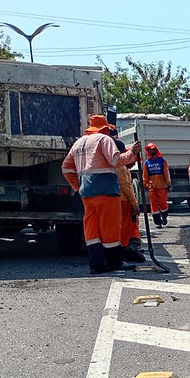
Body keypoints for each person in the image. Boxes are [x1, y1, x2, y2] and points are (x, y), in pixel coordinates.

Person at [61, 115, 141, 273]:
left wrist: (78, 187)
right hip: (106, 190)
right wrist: (133, 152)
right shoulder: (104, 139)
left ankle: (96, 265)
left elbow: (66, 168)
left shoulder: (78, 143)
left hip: (87, 193)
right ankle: (114, 262)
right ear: (105, 128)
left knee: (92, 229)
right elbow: (115, 160)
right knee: (110, 227)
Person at [109, 125, 145, 262]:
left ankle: (124, 248)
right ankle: (125, 249)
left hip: (113, 200)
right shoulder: (121, 168)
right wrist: (135, 204)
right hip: (123, 201)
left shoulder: (109, 165)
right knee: (127, 225)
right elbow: (126, 186)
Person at [142, 142, 171, 228]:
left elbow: (166, 172)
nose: (151, 151)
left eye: (152, 150)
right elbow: (145, 174)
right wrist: (145, 184)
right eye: (149, 150)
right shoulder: (147, 163)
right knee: (154, 205)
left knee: (163, 203)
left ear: (155, 150)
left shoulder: (162, 161)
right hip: (152, 186)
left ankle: (164, 217)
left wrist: (168, 183)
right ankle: (158, 222)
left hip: (162, 185)